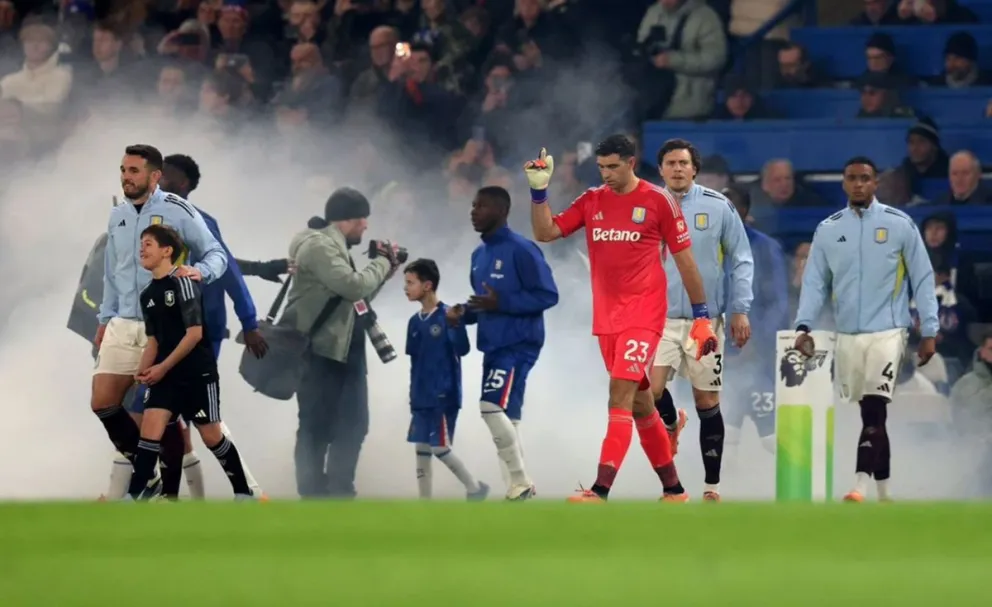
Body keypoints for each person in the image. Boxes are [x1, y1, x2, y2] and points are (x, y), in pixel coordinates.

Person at [526, 135, 719, 503]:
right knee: (640, 405)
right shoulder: (592, 200)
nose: (607, 174)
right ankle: (674, 489)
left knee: (619, 395)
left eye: (613, 166)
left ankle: (599, 491)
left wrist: (701, 317)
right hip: (607, 319)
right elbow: (546, 232)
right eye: (601, 168)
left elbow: (685, 261)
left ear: (631, 163)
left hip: (643, 315)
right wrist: (539, 193)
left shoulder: (657, 200)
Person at [794, 156, 939, 503]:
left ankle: (858, 485)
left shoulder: (900, 225)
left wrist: (929, 330)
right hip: (848, 335)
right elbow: (814, 283)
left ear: (876, 184)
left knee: (875, 406)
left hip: (888, 332)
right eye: (852, 178)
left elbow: (922, 277)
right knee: (870, 412)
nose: (858, 184)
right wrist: (804, 325)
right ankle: (885, 491)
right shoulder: (829, 229)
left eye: (865, 178)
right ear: (843, 183)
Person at [92, 144, 227, 500]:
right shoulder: (117, 215)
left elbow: (218, 254)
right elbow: (111, 273)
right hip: (123, 322)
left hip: (165, 326)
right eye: (123, 170)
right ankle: (147, 479)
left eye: (134, 171)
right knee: (103, 402)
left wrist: (199, 272)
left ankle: (170, 496)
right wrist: (105, 318)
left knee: (164, 415)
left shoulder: (177, 209)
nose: (126, 177)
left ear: (154, 176)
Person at [650, 139, 754, 502]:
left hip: (704, 322)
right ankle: (670, 423)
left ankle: (712, 486)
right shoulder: (647, 205)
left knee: (706, 401)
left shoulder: (719, 206)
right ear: (660, 169)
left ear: (694, 168)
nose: (677, 169)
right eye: (670, 163)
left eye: (683, 163)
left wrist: (740, 308)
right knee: (649, 391)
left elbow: (741, 259)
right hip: (657, 318)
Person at [282, 187, 401, 498]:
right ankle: (314, 492)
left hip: (343, 348)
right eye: (363, 219)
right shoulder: (320, 247)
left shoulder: (333, 246)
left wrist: (384, 273)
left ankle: (338, 489)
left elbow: (354, 297)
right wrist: (383, 263)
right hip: (321, 352)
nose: (366, 226)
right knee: (315, 426)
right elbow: (352, 286)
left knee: (354, 424)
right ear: (347, 220)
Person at [446, 186, 559, 501]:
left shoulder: (522, 249)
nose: (473, 211)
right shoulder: (478, 256)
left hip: (520, 343)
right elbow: (486, 304)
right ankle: (515, 491)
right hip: (493, 344)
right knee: (507, 418)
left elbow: (548, 294)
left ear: (500, 211)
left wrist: (502, 302)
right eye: (472, 205)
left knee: (490, 406)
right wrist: (462, 313)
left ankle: (522, 482)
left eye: (480, 206)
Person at [129, 224, 255, 500]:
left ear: (167, 251)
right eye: (141, 244)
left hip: (197, 375)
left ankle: (244, 493)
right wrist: (140, 373)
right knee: (149, 431)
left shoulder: (185, 282)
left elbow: (194, 334)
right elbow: (154, 341)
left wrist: (162, 367)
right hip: (166, 376)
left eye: (148, 244)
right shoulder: (148, 294)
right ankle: (133, 496)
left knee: (211, 436)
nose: (142, 249)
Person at [403, 258, 490, 500]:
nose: (406, 288)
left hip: (443, 394)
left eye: (410, 283)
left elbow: (463, 350)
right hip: (421, 396)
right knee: (421, 447)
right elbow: (414, 361)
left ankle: (474, 489)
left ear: (427, 285)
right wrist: (413, 394)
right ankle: (425, 504)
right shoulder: (413, 322)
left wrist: (453, 327)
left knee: (439, 447)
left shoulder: (449, 315)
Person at [722, 185, 789, 458]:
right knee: (722, 432)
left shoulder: (765, 248)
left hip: (756, 356)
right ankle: (722, 490)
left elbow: (778, 303)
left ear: (744, 211)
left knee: (770, 436)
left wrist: (754, 343)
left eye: (731, 209)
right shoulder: (704, 247)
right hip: (715, 354)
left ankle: (800, 486)